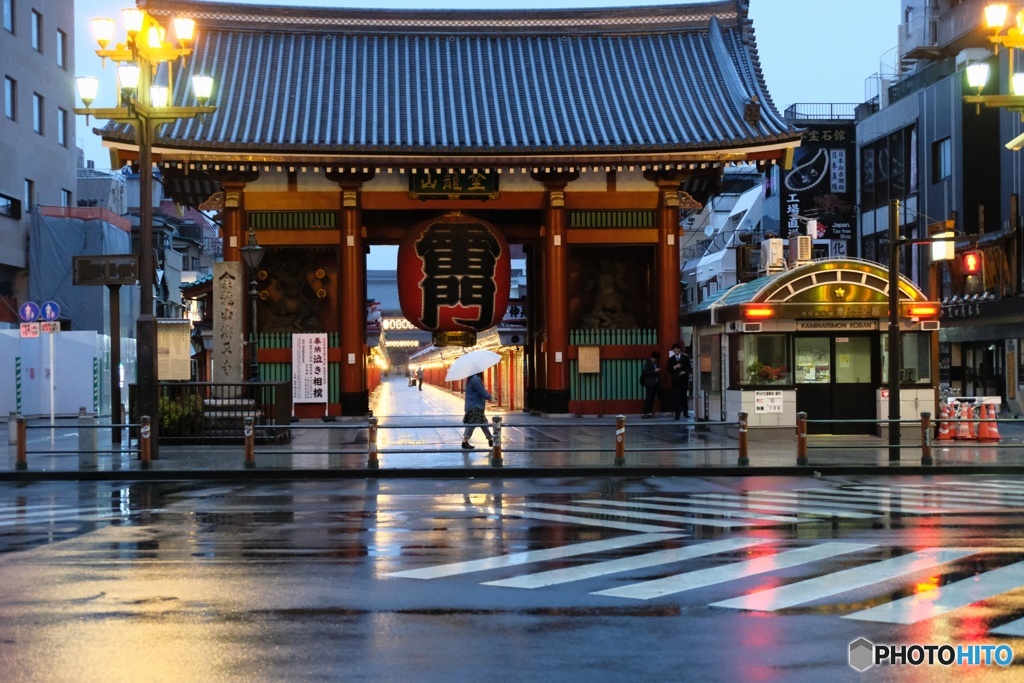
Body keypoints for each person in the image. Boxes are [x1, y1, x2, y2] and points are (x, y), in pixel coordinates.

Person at [461, 372, 494, 449]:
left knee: (483, 423)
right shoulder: (475, 379)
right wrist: (489, 397)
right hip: (475, 405)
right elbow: (481, 391)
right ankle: (465, 441)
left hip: (475, 404)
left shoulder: (471, 378)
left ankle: (490, 439)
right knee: (472, 424)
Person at [667, 342, 692, 419]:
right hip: (675, 381)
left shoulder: (685, 358)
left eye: (676, 348)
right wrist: (675, 366)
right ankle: (677, 414)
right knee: (676, 397)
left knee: (684, 397)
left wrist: (684, 372)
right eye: (674, 349)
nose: (675, 350)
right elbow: (668, 369)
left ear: (679, 349)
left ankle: (685, 412)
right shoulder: (671, 359)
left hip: (684, 380)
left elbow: (689, 368)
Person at [640, 350, 660, 419]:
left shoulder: (655, 363)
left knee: (652, 398)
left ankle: (649, 412)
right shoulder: (648, 363)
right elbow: (646, 372)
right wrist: (654, 371)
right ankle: (644, 412)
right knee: (648, 398)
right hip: (649, 383)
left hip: (655, 382)